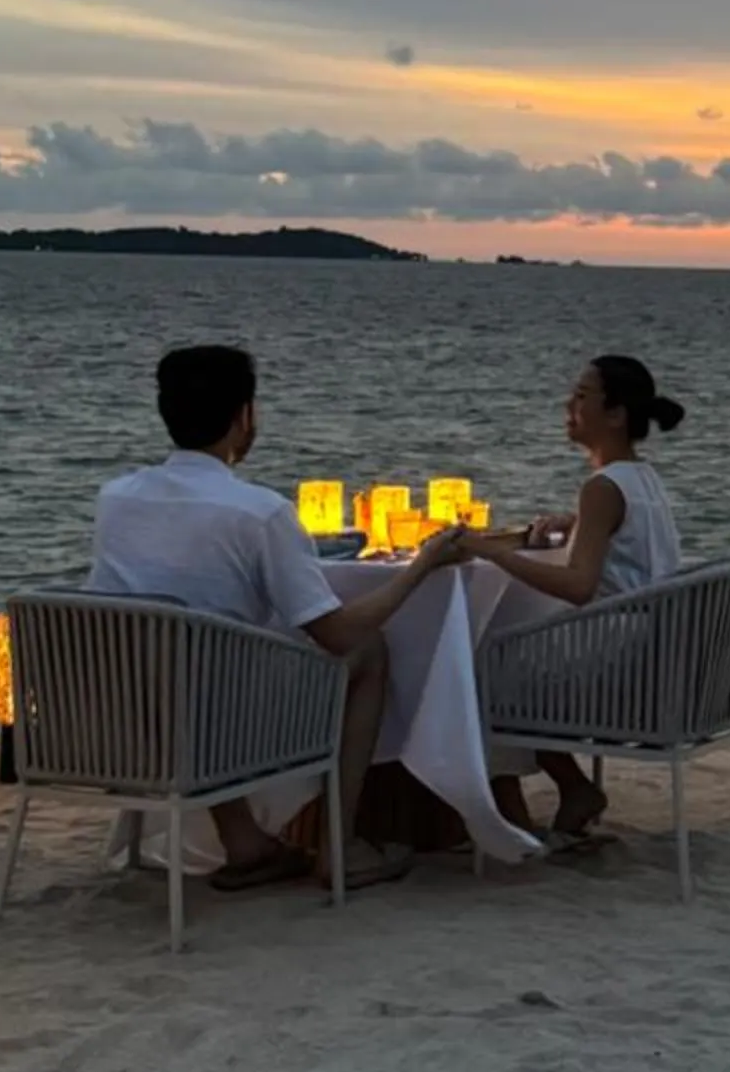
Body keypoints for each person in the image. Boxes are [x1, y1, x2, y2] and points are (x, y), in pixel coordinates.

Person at [88, 344, 467, 894]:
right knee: (368, 650)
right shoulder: (259, 511)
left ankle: (245, 842)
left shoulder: (115, 497)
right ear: (245, 416)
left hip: (116, 715)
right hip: (224, 730)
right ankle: (339, 846)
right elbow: (335, 634)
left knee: (194, 663)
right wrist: (422, 566)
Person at [464, 353, 685, 841]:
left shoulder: (602, 487)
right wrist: (578, 525)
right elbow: (622, 545)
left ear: (615, 414)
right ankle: (570, 787)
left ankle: (511, 818)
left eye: (582, 395)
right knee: (505, 656)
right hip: (651, 644)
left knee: (479, 666)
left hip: (617, 651)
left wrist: (488, 551)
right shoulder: (642, 479)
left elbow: (579, 586)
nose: (569, 404)